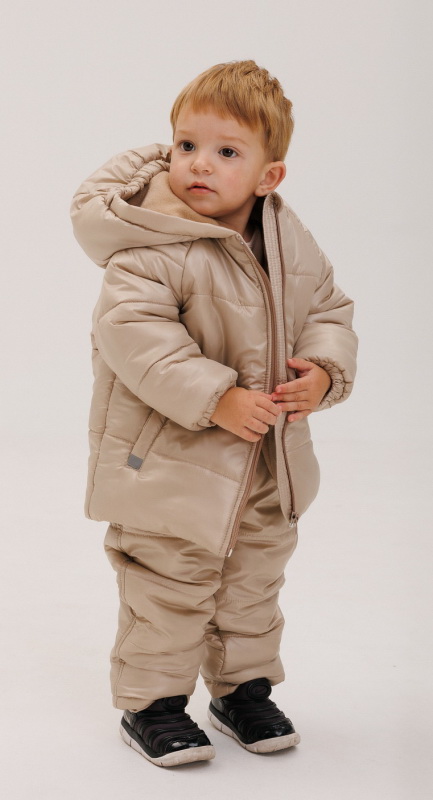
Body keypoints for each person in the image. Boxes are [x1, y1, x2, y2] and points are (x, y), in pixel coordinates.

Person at [70, 59, 357, 768]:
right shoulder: (151, 243)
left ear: (268, 176)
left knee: (253, 585)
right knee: (167, 584)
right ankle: (153, 705)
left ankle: (242, 691)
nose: (199, 163)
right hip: (169, 460)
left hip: (267, 461)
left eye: (227, 151)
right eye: (187, 144)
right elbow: (134, 335)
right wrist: (215, 397)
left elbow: (328, 310)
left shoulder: (290, 244)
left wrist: (323, 372)